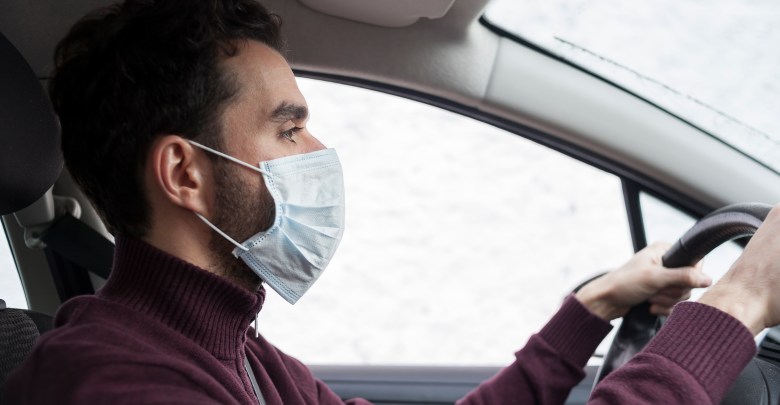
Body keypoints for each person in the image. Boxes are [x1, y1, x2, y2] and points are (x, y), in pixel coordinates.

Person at [4, 0, 778, 403]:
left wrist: (591, 307)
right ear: (184, 172)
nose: (319, 154)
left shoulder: (234, 351)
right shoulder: (113, 381)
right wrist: (734, 307)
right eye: (289, 128)